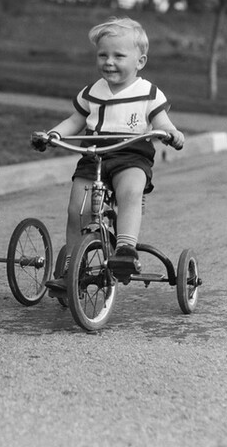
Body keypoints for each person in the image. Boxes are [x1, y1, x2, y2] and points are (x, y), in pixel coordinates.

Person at [31, 16, 184, 292]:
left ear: (140, 61)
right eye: (103, 55)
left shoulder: (148, 93)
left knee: (130, 192)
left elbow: (162, 122)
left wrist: (172, 133)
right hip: (94, 155)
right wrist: (52, 135)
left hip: (132, 155)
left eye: (118, 56)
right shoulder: (92, 92)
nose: (109, 62)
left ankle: (125, 249)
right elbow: (74, 121)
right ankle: (71, 266)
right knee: (77, 209)